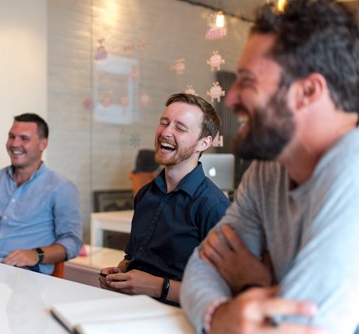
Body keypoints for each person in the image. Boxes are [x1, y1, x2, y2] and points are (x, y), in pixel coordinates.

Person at [180, 0, 359, 333]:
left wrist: (250, 287)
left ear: (308, 91)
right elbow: (206, 265)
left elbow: (302, 324)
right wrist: (218, 315)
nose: (231, 98)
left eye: (246, 81)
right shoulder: (270, 168)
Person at [99, 93, 230, 305]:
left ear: (203, 143)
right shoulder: (145, 194)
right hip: (128, 311)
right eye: (164, 122)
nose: (166, 132)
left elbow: (223, 291)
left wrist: (158, 286)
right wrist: (120, 271)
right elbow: (133, 258)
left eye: (180, 128)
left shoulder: (214, 207)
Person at [0, 113, 83, 275]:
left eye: (24, 138)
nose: (15, 144)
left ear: (43, 144)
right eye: (11, 136)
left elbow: (73, 242)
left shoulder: (61, 188)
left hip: (24, 276)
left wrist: (35, 254)